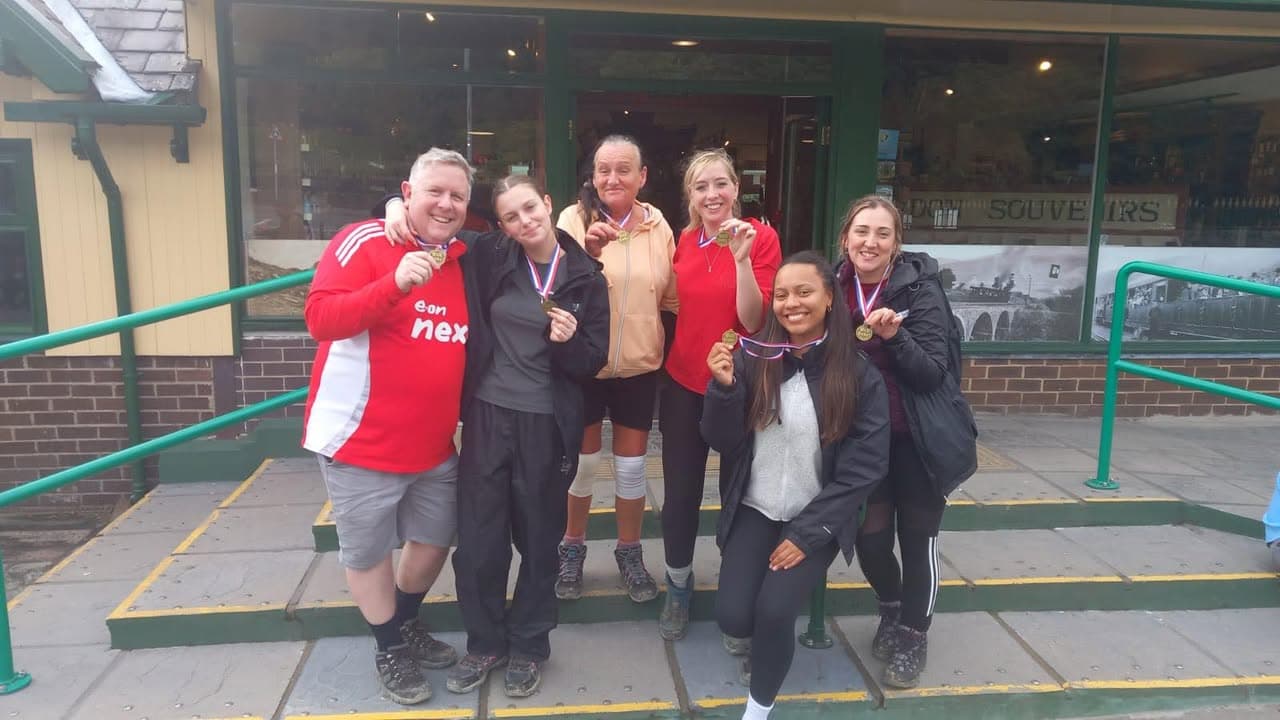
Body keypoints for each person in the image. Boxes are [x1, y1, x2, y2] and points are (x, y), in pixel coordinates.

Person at [385, 175, 610, 697]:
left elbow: (592, 362)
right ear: (501, 224)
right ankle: (485, 642)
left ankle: (530, 646)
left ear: (548, 204)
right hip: (487, 417)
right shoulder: (491, 256)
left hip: (546, 425)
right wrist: (397, 204)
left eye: (530, 208)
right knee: (481, 542)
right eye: (510, 216)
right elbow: (432, 216)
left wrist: (569, 344)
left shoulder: (586, 278)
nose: (524, 222)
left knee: (537, 541)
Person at [302, 148, 477, 705]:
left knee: (433, 540)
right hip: (361, 440)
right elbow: (320, 318)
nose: (446, 204)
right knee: (368, 551)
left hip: (433, 445)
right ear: (408, 191)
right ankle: (388, 646)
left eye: (458, 196)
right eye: (435, 192)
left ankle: (401, 623)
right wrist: (395, 284)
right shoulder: (364, 241)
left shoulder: (463, 259)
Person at [702, 251, 889, 720]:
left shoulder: (858, 373)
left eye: (804, 292)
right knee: (733, 617)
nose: (791, 304)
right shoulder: (754, 360)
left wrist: (808, 536)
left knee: (775, 612)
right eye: (781, 295)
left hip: (816, 517)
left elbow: (864, 467)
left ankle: (757, 709)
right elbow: (721, 440)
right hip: (755, 508)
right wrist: (723, 389)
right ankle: (761, 644)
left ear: (829, 298)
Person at [838, 194, 965, 689]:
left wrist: (896, 338)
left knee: (918, 542)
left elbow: (934, 374)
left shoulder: (920, 289)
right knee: (869, 541)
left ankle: (915, 632)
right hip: (864, 439)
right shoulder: (835, 283)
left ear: (896, 244)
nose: (870, 242)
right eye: (861, 231)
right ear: (846, 237)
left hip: (917, 437)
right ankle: (891, 606)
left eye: (882, 234)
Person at [659, 148, 782, 641]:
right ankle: (679, 585)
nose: (712, 195)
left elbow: (754, 320)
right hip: (684, 382)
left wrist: (743, 261)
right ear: (690, 195)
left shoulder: (761, 237)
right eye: (701, 186)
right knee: (680, 495)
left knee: (738, 494)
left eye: (720, 184)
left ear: (736, 188)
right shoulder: (684, 240)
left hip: (739, 385)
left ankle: (735, 589)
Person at [553, 135, 678, 603]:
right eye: (604, 170)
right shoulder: (572, 218)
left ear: (642, 177)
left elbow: (671, 299)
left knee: (630, 470)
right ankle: (572, 549)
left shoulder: (661, 230)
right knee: (582, 467)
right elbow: (554, 287)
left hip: (639, 368)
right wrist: (588, 251)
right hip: (584, 365)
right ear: (593, 176)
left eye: (624, 169)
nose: (612, 179)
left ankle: (629, 551)